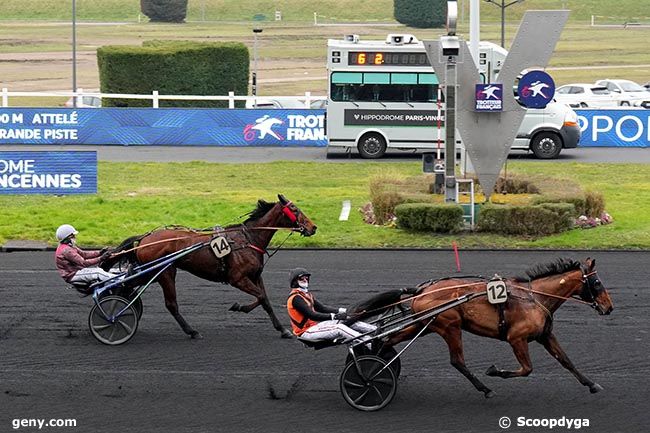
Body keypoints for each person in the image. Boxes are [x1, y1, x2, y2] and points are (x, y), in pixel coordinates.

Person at [286, 268, 376, 345]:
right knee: (339, 328)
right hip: (306, 332)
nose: (305, 280)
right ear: (295, 281)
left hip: (314, 327)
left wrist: (346, 311)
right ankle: (368, 342)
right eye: (302, 278)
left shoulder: (307, 295)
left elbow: (323, 308)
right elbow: (312, 315)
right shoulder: (296, 298)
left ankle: (375, 331)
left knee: (346, 320)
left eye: (306, 277)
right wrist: (335, 316)